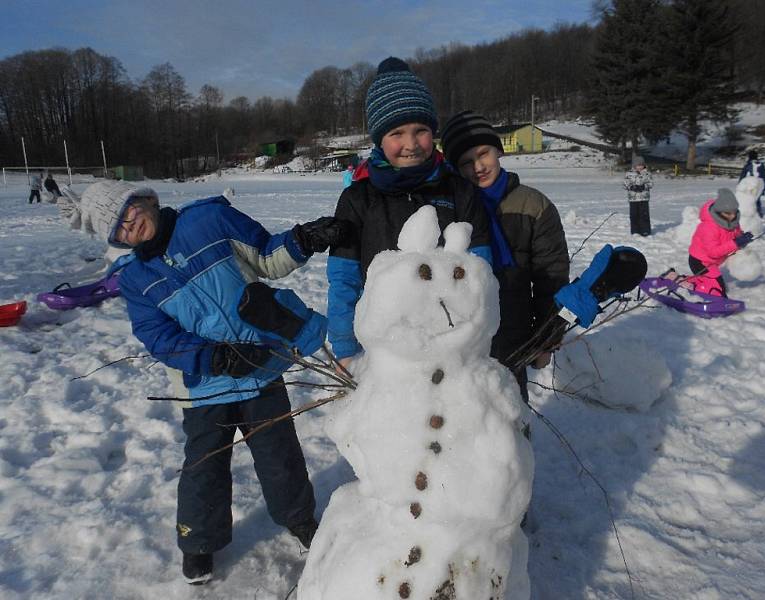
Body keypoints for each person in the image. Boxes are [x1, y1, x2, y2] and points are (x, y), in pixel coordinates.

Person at [66, 180, 348, 585]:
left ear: (144, 199)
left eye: (128, 212)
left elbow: (267, 257)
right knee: (204, 468)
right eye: (118, 230)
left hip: (261, 369)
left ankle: (300, 520)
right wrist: (213, 357)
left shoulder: (209, 220)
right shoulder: (135, 279)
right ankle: (198, 543)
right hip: (203, 387)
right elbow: (159, 338)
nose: (130, 227)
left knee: (279, 455)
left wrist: (304, 240)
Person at [326, 57, 491, 368]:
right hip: (384, 352)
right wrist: (346, 345)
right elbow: (343, 279)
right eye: (396, 133)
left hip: (452, 345)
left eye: (421, 130)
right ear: (379, 139)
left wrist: (476, 335)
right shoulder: (357, 199)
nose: (411, 144)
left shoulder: (459, 191)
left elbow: (481, 269)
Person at [440, 110, 570, 399]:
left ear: (497, 150)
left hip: (514, 333)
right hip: (461, 339)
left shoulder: (533, 205)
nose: (478, 167)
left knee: (511, 422)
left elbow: (552, 276)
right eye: (465, 162)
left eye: (483, 154)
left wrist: (547, 337)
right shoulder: (449, 207)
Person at [688, 188, 752, 297]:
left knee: (718, 286)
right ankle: (687, 284)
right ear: (718, 211)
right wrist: (735, 243)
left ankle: (699, 280)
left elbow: (736, 234)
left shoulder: (732, 221)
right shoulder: (708, 227)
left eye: (734, 212)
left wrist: (743, 238)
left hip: (713, 262)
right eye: (727, 213)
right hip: (700, 262)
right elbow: (713, 252)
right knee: (718, 291)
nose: (732, 216)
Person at [624, 156, 652, 236]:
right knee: (634, 215)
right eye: (638, 165)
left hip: (644, 198)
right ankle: (635, 231)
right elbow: (625, 184)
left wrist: (643, 186)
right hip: (633, 199)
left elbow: (651, 183)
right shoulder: (629, 174)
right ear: (634, 165)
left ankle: (645, 230)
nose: (640, 167)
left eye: (641, 165)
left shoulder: (647, 173)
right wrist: (632, 187)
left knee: (644, 215)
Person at [738, 149, 765, 217]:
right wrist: (764, 187)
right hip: (758, 185)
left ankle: (750, 214)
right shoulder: (761, 165)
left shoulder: (748, 165)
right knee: (757, 200)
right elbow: (764, 177)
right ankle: (758, 213)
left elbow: (743, 176)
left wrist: (739, 185)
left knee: (749, 200)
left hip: (749, 185)